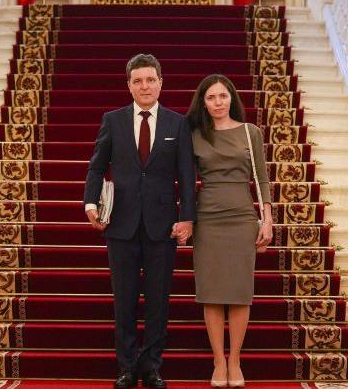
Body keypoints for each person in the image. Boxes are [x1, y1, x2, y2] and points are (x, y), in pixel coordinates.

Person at [84, 53, 197, 389]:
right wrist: (90, 203)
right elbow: (96, 166)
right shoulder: (113, 120)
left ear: (161, 82)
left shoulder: (178, 123)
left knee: (159, 300)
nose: (144, 86)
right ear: (129, 85)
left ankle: (152, 367)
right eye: (138, 81)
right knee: (125, 299)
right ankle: (126, 367)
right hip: (120, 225)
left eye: (150, 80)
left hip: (163, 226)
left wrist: (187, 218)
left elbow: (186, 176)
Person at [185, 74, 273, 388]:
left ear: (231, 98)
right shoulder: (195, 135)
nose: (218, 102)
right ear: (203, 103)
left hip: (241, 217)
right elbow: (185, 178)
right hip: (208, 218)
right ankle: (218, 361)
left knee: (239, 292)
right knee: (211, 292)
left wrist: (267, 219)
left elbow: (261, 178)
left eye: (223, 96)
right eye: (211, 98)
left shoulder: (251, 132)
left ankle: (234, 360)